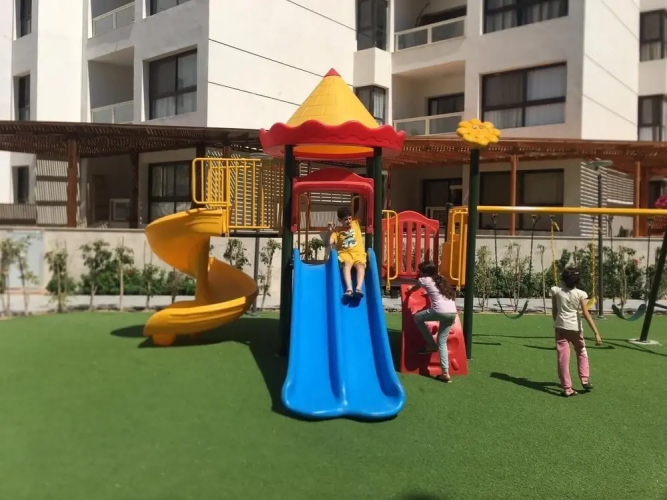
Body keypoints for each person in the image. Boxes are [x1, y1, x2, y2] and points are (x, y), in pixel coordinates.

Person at [550, 267, 603, 397]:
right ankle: (584, 379)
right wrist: (596, 333)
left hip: (560, 327)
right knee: (581, 350)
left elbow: (554, 311)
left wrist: (558, 323)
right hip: (575, 328)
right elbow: (586, 313)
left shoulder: (556, 291)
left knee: (563, 358)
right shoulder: (581, 294)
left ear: (563, 279)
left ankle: (567, 388)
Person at [407, 261, 458, 383]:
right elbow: (438, 292)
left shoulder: (423, 279)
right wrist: (428, 292)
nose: (418, 272)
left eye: (420, 270)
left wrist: (410, 290)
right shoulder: (441, 279)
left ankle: (430, 343)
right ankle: (445, 373)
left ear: (424, 272)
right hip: (452, 313)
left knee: (417, 317)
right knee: (442, 342)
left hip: (439, 311)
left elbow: (414, 289)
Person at [327, 202, 366, 298]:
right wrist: (330, 231)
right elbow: (329, 242)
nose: (349, 221)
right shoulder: (337, 231)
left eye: (350, 218)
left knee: (360, 265)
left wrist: (362, 199)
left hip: (358, 253)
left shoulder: (356, 223)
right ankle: (349, 289)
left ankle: (358, 288)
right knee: (347, 265)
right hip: (345, 254)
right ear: (340, 220)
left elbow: (361, 208)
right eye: (345, 219)